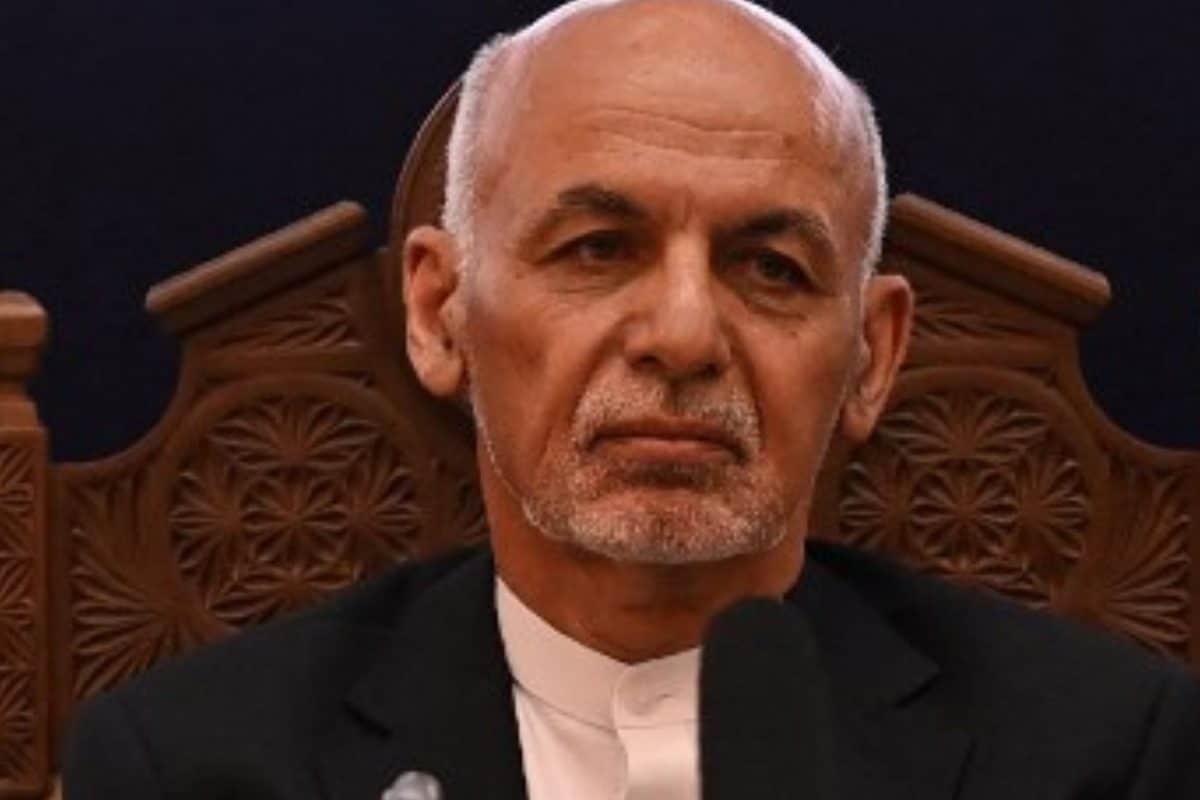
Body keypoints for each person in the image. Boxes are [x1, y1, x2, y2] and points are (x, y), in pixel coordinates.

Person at [64, 0, 1200, 797]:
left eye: (771, 268)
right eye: (599, 249)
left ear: (871, 356)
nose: (684, 337)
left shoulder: (1102, 756)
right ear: (440, 312)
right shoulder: (190, 765)